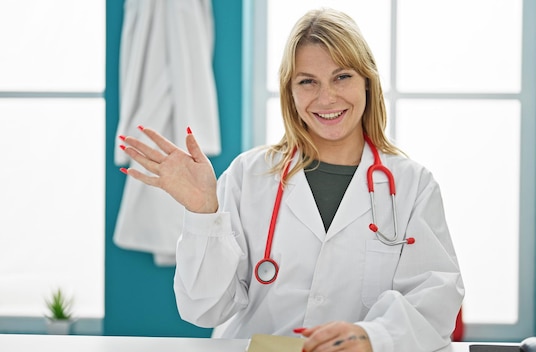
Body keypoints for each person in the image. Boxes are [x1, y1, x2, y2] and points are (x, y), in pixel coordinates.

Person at [119, 8, 464, 352]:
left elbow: (435, 301)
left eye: (342, 76)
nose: (326, 97)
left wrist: (375, 337)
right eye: (307, 81)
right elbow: (204, 307)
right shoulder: (247, 176)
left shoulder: (413, 186)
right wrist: (203, 213)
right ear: (290, 91)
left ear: (367, 82)